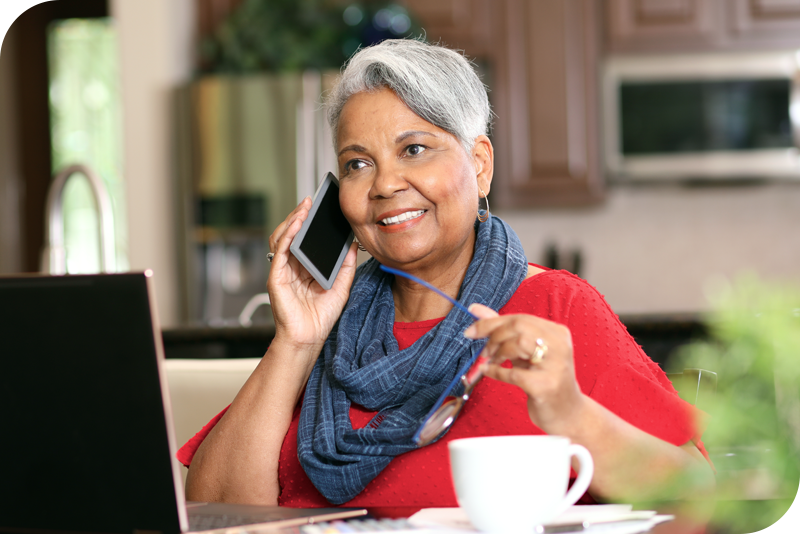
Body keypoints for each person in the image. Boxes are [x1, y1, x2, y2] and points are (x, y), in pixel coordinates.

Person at [180, 39, 714, 512]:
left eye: (414, 149)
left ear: (479, 165)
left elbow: (697, 493)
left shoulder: (555, 306)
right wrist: (296, 341)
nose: (385, 183)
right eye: (356, 164)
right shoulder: (326, 327)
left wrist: (571, 411)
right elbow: (215, 511)